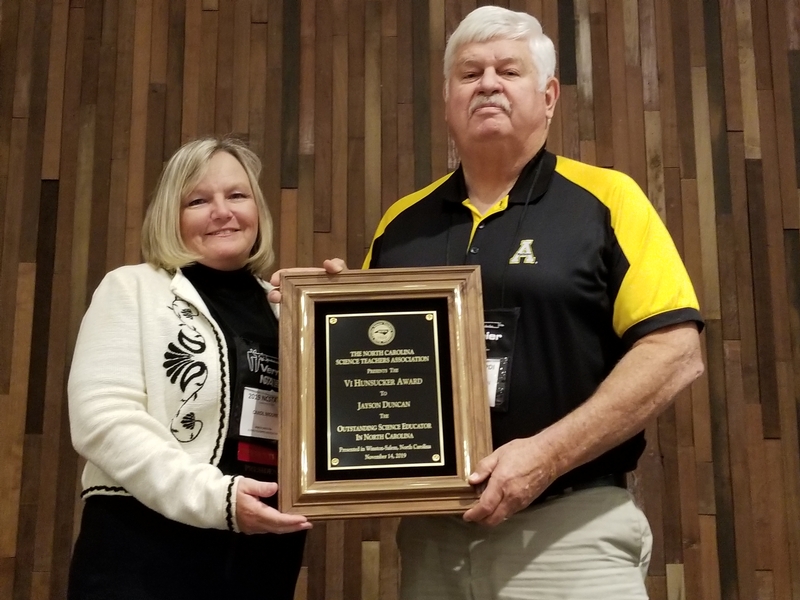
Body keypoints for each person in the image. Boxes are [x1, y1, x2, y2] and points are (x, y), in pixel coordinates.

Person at [274, 5, 705, 599]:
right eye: (470, 73)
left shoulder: (608, 199)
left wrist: (546, 455)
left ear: (549, 96)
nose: (488, 84)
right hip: (433, 540)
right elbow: (368, 377)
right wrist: (322, 316)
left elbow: (675, 352)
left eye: (508, 70)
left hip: (571, 530)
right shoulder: (401, 224)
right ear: (448, 100)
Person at [67, 137, 311, 600]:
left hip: (262, 551)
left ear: (257, 209)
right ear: (171, 216)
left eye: (237, 195)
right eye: (198, 201)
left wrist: (340, 308)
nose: (222, 211)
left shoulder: (288, 308)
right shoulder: (132, 289)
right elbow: (103, 419)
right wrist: (215, 499)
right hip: (145, 548)